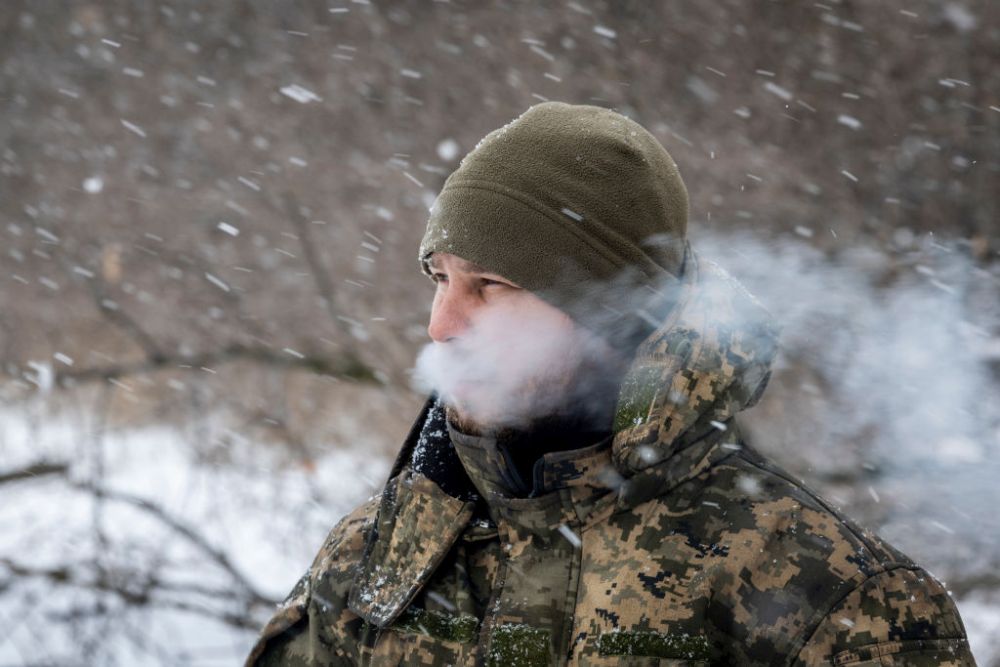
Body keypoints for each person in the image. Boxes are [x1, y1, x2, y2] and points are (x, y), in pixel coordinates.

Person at [245, 102, 975, 666]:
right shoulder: (380, 554)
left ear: (613, 312)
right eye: (440, 279)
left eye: (491, 285)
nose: (442, 324)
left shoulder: (833, 593)